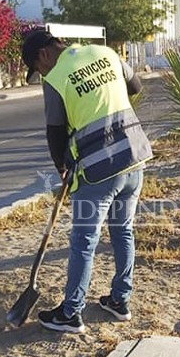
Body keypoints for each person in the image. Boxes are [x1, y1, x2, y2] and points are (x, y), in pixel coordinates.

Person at [21, 29, 153, 333]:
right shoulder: (106, 53)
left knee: (84, 241)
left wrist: (61, 167)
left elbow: (55, 131)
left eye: (38, 69)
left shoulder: (55, 79)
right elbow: (135, 86)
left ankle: (71, 312)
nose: (42, 75)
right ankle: (119, 300)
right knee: (123, 231)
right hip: (134, 158)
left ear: (43, 55)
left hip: (98, 170)